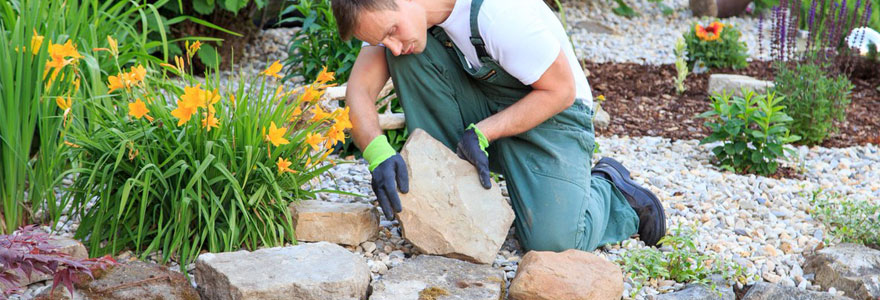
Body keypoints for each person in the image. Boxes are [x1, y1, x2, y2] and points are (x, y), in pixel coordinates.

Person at [332, 0, 667, 251]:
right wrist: (378, 154)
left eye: (391, 32)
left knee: (553, 243)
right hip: (483, 105)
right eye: (382, 39)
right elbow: (359, 91)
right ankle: (454, 197)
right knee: (407, 54)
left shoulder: (500, 13)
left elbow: (561, 91)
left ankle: (612, 191)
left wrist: (484, 132)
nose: (391, 44)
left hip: (552, 114)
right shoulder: (395, 19)